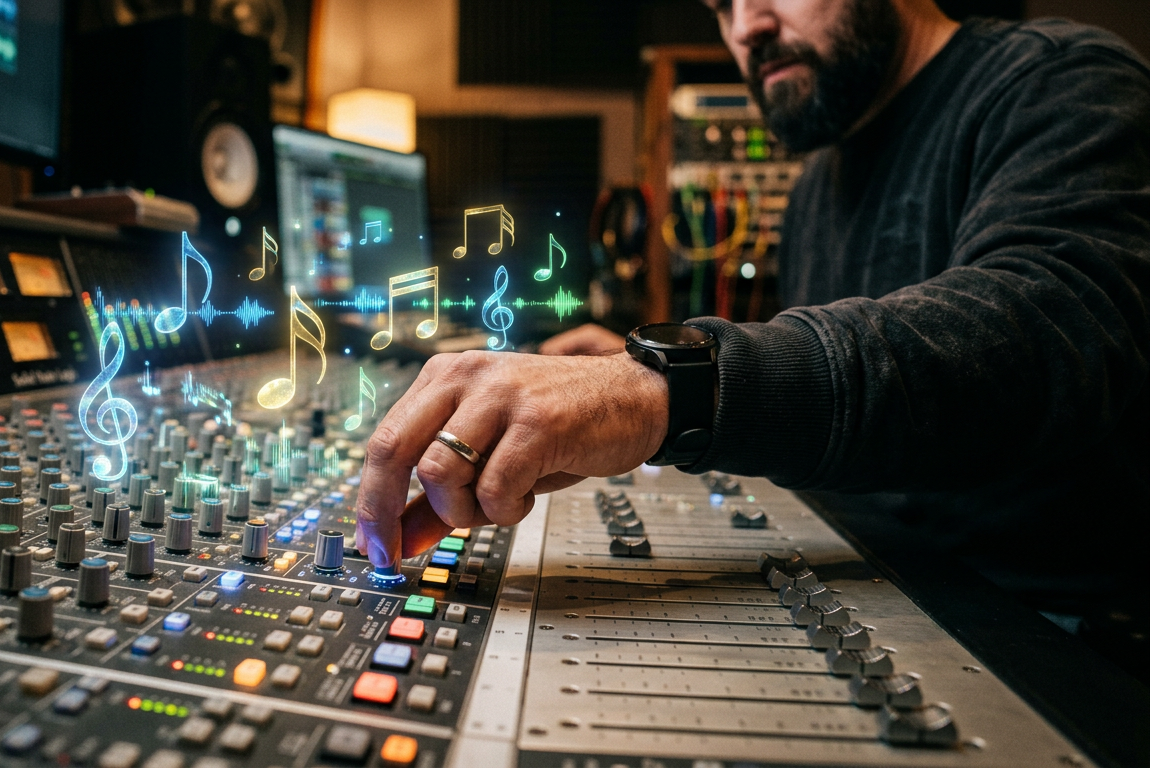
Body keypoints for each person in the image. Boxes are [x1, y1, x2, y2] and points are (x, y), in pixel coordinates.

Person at [354, 0, 1150, 616]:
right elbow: (834, 400)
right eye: (721, 6)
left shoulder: (1061, 82)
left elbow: (1053, 328)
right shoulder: (818, 186)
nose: (748, 28)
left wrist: (667, 387)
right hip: (880, 580)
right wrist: (622, 369)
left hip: (1046, 630)